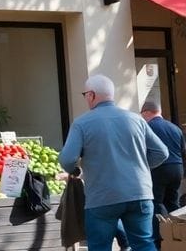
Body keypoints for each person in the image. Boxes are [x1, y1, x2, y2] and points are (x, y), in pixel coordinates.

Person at [58, 74, 168, 251]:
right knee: (143, 243)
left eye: (85, 94)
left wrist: (75, 171)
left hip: (102, 196)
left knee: (100, 246)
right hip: (139, 192)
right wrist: (142, 166)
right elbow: (162, 152)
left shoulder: (82, 123)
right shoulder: (136, 119)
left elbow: (67, 159)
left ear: (91, 95)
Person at [142, 100, 184, 248]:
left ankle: (161, 239)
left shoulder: (148, 127)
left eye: (142, 114)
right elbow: (183, 150)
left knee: (156, 203)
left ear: (147, 112)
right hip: (177, 169)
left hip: (159, 169)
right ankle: (179, 234)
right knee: (173, 202)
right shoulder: (175, 128)